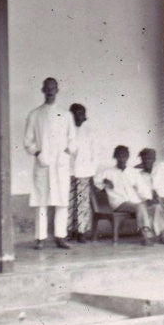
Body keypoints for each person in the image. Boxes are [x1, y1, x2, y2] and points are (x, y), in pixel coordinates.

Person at [23, 77, 75, 250]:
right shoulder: (34, 114)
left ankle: (61, 237)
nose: (50, 91)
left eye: (53, 88)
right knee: (41, 202)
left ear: (57, 90)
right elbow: (28, 141)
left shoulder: (66, 115)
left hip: (60, 165)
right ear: (42, 90)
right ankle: (40, 238)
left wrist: (66, 153)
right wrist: (38, 153)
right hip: (43, 164)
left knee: (62, 202)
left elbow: (72, 139)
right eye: (47, 88)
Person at [94, 145, 155, 245]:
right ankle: (145, 237)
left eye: (124, 156)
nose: (122, 159)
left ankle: (153, 235)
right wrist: (105, 181)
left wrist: (148, 198)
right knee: (140, 206)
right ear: (115, 157)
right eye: (119, 156)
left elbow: (142, 187)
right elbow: (96, 181)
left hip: (133, 202)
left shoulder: (132, 172)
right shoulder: (108, 173)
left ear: (127, 157)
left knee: (150, 206)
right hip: (118, 203)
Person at [68, 103, 96, 243]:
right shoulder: (67, 130)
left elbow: (94, 153)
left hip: (84, 172)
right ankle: (68, 231)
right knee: (69, 202)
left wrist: (92, 172)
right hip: (68, 171)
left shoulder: (90, 131)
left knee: (82, 203)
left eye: (81, 114)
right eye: (76, 114)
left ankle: (81, 232)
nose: (79, 117)